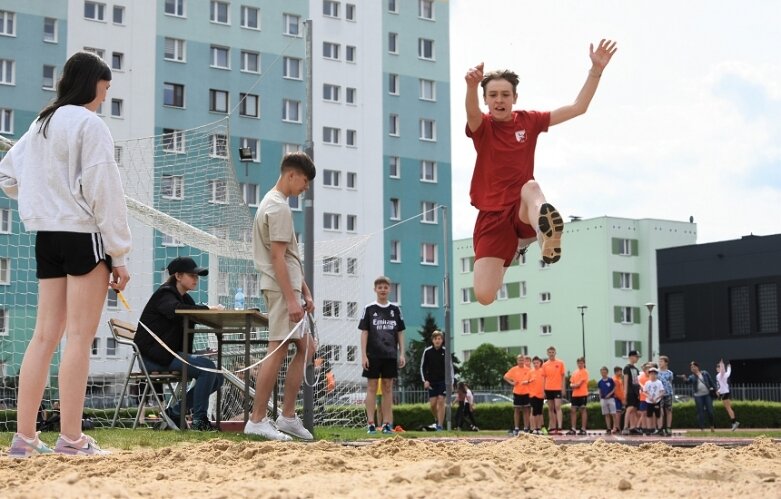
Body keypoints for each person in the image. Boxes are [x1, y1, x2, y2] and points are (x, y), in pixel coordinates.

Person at [1, 52, 131, 458]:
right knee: (78, 338)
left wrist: (45, 196)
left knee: (44, 336)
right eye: (105, 88)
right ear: (91, 83)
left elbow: (7, 175)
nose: (105, 97)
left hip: (47, 237)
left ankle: (24, 439)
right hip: (83, 234)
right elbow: (103, 188)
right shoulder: (90, 125)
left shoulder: (41, 124)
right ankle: (72, 439)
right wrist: (120, 254)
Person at [463, 39, 618, 305]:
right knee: (485, 296)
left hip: (522, 208)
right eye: (493, 95)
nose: (499, 100)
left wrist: (596, 70)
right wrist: (471, 86)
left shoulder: (529, 120)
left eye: (505, 95)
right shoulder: (484, 126)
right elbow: (472, 114)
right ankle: (514, 251)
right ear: (486, 99)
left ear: (515, 98)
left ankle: (544, 235)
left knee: (531, 187)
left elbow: (578, 107)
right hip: (491, 217)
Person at [244, 152, 317, 441]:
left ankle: (287, 417)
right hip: (279, 290)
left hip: (290, 289)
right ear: (291, 175)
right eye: (305, 181)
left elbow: (289, 257)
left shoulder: (278, 205)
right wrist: (290, 298)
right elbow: (276, 258)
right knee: (277, 349)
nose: (306, 188)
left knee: (307, 348)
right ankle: (257, 419)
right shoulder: (276, 207)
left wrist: (304, 292)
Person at [134, 257, 225, 431]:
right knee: (208, 367)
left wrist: (211, 312)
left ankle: (175, 413)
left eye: (197, 276)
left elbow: (192, 312)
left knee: (217, 377)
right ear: (178, 275)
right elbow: (176, 310)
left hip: (168, 355)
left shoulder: (186, 300)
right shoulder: (164, 294)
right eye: (192, 275)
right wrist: (208, 309)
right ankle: (199, 420)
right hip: (153, 358)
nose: (196, 279)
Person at [359, 276, 406, 434]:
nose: (383, 290)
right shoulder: (369, 309)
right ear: (375, 289)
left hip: (390, 355)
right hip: (373, 355)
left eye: (385, 287)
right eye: (380, 287)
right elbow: (364, 332)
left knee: (388, 388)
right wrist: (363, 355)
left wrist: (402, 353)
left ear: (389, 289)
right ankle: (371, 423)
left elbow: (400, 332)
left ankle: (387, 424)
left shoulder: (395, 309)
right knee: (371, 387)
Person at [420, 330, 451, 431]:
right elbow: (423, 367)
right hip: (431, 381)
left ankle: (440, 425)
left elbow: (450, 367)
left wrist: (451, 381)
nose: (437, 341)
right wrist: (425, 380)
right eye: (435, 339)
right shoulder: (427, 351)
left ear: (442, 340)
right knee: (433, 404)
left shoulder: (446, 351)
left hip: (443, 381)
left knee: (441, 401)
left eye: (439, 339)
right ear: (432, 340)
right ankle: (437, 419)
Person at [681, 361, 717, 432]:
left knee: (710, 411)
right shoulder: (692, 376)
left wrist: (716, 390)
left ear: (697, 367)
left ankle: (712, 426)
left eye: (694, 366)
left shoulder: (705, 373)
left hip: (707, 395)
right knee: (700, 412)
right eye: (691, 367)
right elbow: (687, 382)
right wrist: (684, 378)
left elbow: (711, 382)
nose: (693, 368)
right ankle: (702, 428)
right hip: (698, 396)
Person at [540, 346, 566, 435]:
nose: (551, 354)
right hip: (548, 388)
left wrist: (563, 388)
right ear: (547, 353)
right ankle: (553, 426)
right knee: (550, 408)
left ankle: (560, 427)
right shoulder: (544, 364)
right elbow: (543, 378)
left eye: (553, 352)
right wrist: (543, 390)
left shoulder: (560, 363)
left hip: (557, 388)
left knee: (558, 407)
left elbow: (563, 376)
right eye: (549, 352)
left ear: (555, 353)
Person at [503, 354, 531, 435]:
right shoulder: (514, 369)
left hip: (526, 392)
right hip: (517, 392)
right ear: (517, 361)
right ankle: (516, 428)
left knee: (526, 410)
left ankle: (526, 428)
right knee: (517, 410)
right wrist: (512, 383)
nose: (521, 362)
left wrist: (528, 382)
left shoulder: (528, 369)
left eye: (522, 360)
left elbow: (532, 379)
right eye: (519, 360)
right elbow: (505, 377)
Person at [622, 350, 643, 435]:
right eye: (636, 356)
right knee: (629, 409)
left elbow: (637, 381)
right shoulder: (627, 368)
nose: (637, 358)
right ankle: (625, 427)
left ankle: (633, 427)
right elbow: (626, 381)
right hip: (630, 391)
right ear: (631, 357)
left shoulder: (636, 369)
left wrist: (640, 388)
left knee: (634, 409)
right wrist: (625, 393)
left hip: (635, 392)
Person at [567, 357, 589, 435]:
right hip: (575, 394)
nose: (580, 364)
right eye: (579, 363)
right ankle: (573, 428)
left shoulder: (585, 372)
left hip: (583, 393)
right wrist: (574, 385)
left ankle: (583, 428)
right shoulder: (575, 372)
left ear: (584, 363)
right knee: (573, 410)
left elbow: (580, 384)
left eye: (582, 363)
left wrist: (574, 385)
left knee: (583, 410)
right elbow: (571, 383)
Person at [716, 359, 740, 431]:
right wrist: (729, 367)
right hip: (725, 392)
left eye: (718, 367)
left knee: (728, 408)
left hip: (724, 393)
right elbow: (728, 372)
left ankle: (734, 423)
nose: (717, 369)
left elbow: (723, 371)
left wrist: (722, 364)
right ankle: (734, 422)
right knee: (729, 408)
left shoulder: (720, 375)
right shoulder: (725, 374)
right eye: (717, 367)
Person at [642, 367, 665, 435]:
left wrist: (657, 398)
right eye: (651, 374)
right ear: (649, 375)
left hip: (657, 401)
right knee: (649, 415)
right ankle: (649, 429)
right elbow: (644, 391)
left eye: (654, 374)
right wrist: (649, 396)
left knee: (658, 415)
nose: (653, 375)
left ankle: (660, 428)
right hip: (649, 401)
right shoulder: (647, 383)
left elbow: (662, 391)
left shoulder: (659, 382)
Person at [657, 355, 675, 436]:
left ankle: (668, 427)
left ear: (666, 363)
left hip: (668, 393)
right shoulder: (657, 372)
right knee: (660, 411)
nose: (660, 363)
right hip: (659, 394)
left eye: (661, 361)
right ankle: (660, 428)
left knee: (669, 410)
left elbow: (670, 382)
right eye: (659, 361)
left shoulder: (670, 373)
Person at [597, 367, 618, 434]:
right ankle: (608, 428)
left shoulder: (610, 380)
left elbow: (614, 387)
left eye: (605, 372)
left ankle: (615, 427)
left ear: (607, 372)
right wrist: (600, 398)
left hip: (611, 398)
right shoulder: (600, 382)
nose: (603, 373)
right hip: (604, 399)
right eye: (602, 372)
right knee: (606, 414)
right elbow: (599, 390)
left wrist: (610, 394)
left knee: (613, 413)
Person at [528, 357, 545, 435]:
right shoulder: (530, 372)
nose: (535, 364)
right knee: (534, 412)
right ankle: (534, 428)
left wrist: (545, 392)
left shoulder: (543, 371)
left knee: (539, 412)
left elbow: (545, 382)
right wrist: (528, 381)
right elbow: (526, 382)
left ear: (540, 363)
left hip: (540, 395)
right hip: (533, 394)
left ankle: (539, 427)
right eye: (534, 363)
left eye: (537, 363)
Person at [612, 366, 625, 431]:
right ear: (616, 372)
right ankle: (616, 427)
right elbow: (616, 391)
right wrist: (622, 399)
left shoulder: (619, 379)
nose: (621, 373)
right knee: (617, 413)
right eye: (620, 371)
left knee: (618, 413)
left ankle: (617, 426)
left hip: (619, 398)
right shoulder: (615, 380)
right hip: (616, 398)